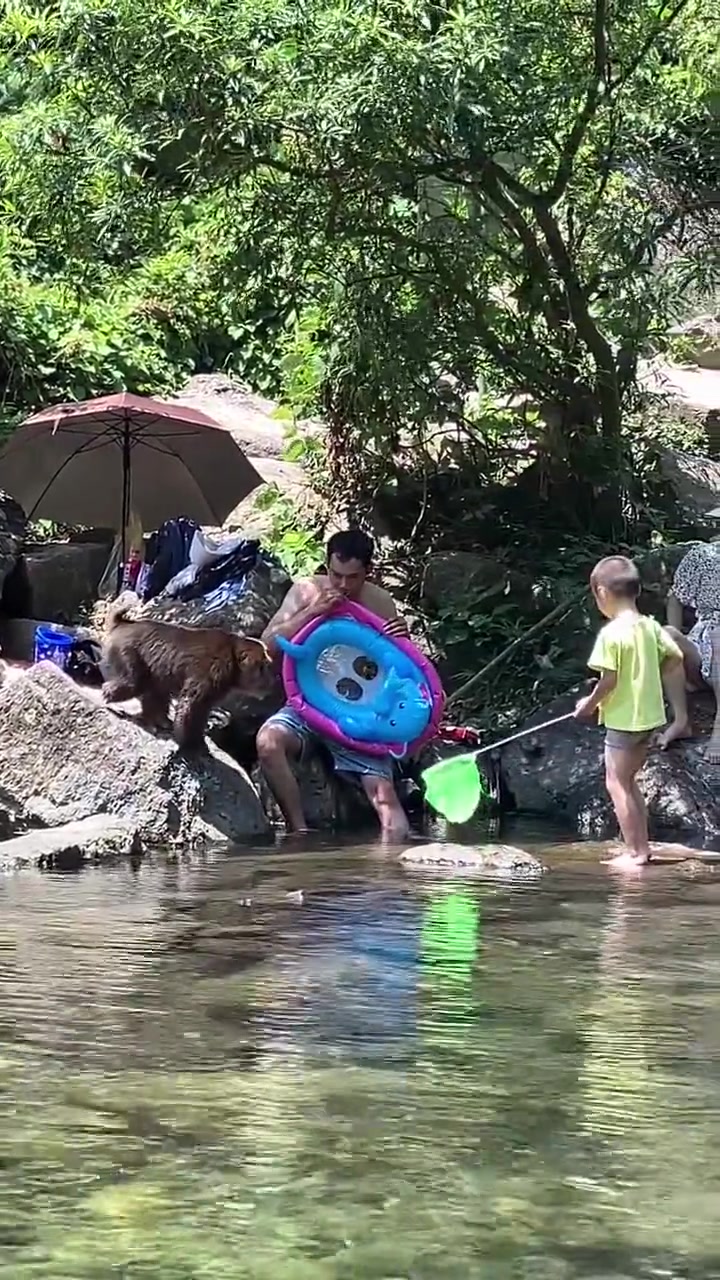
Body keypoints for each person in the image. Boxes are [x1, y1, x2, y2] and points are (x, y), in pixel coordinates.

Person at [257, 529, 413, 840]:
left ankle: (396, 877)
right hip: (307, 701)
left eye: (352, 577)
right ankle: (298, 833)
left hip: (358, 713)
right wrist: (313, 612)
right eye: (335, 574)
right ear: (326, 565)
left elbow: (395, 669)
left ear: (368, 572)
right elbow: (267, 645)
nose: (342, 585)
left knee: (386, 800)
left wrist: (402, 639)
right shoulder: (306, 591)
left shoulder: (379, 602)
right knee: (267, 743)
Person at [574, 555, 684, 870]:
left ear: (601, 593)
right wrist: (649, 675)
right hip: (649, 719)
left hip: (624, 721)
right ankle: (641, 847)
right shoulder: (650, 626)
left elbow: (609, 680)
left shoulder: (611, 634)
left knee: (616, 782)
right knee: (629, 781)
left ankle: (635, 853)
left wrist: (589, 704)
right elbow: (675, 656)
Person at [664, 540, 720, 763]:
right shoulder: (702, 555)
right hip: (701, 645)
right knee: (667, 635)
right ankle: (681, 721)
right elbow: (676, 598)